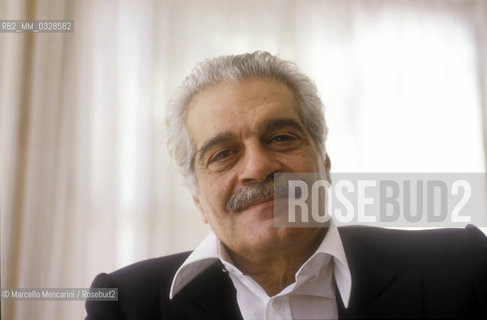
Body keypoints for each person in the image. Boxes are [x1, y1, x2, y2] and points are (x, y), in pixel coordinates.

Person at [85, 52, 487, 319]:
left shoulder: (462, 267)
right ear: (198, 200)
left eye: (281, 138)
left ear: (324, 165)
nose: (258, 168)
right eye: (223, 153)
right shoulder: (126, 305)